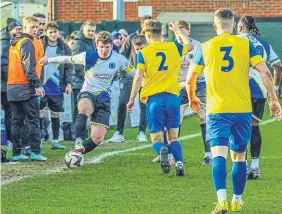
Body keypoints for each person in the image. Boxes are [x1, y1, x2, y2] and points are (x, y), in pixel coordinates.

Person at [186, 8, 281, 213]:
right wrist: (273, 100)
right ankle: (237, 200)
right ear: (233, 23)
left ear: (215, 25)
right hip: (242, 109)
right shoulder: (245, 44)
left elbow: (190, 78)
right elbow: (265, 71)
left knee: (218, 155)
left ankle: (221, 200)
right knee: (239, 156)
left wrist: (193, 97)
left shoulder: (205, 46)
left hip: (217, 109)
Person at [40, 31, 136, 158]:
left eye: (107, 47)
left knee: (97, 138)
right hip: (88, 92)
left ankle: (77, 154)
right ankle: (78, 141)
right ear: (97, 45)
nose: (104, 50)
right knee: (84, 108)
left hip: (104, 98)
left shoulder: (119, 59)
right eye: (101, 47)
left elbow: (135, 74)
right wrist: (49, 60)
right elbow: (68, 59)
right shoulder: (88, 56)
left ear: (112, 46)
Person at [127, 19, 193, 176]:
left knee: (157, 138)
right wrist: (177, 30)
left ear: (147, 36)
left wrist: (131, 100)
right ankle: (178, 163)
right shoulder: (173, 47)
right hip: (172, 98)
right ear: (161, 33)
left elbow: (138, 78)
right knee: (173, 136)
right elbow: (190, 45)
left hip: (154, 100)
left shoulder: (144, 53)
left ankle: (162, 150)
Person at [152, 20, 212, 165]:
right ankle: (169, 154)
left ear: (188, 32)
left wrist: (182, 80)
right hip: (178, 87)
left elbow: (196, 70)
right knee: (175, 120)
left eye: (183, 31)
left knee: (203, 117)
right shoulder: (170, 47)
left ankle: (208, 154)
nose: (180, 34)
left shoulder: (197, 46)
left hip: (198, 85)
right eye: (178, 31)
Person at [237, 15, 282, 180]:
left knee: (238, 127)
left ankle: (243, 165)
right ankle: (255, 167)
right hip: (259, 89)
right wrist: (274, 90)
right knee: (254, 127)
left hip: (239, 88)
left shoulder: (235, 41)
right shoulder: (263, 44)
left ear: (240, 27)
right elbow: (277, 66)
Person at [7, 16, 46, 161]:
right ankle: (35, 151)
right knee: (33, 120)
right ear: (24, 28)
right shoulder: (27, 42)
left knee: (17, 121)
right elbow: (28, 67)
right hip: (25, 86)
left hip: (12, 86)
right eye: (32, 27)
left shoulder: (14, 42)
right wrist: (37, 85)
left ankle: (16, 153)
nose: (35, 30)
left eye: (37, 27)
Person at [109, 34, 148, 143]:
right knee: (122, 103)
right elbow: (122, 54)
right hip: (129, 76)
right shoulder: (132, 38)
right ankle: (119, 132)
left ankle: (142, 132)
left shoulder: (149, 39)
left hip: (145, 76)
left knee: (143, 104)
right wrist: (123, 71)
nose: (139, 51)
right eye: (137, 49)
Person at [40, 21, 72, 149]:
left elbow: (69, 66)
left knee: (56, 113)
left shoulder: (64, 47)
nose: (53, 34)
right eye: (51, 32)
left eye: (55, 32)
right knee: (39, 113)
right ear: (46, 33)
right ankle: (40, 140)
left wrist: (68, 83)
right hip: (42, 85)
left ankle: (55, 140)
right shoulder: (40, 45)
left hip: (57, 85)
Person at [1, 18, 22, 162]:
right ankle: (6, 146)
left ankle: (7, 146)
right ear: (10, 30)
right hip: (5, 86)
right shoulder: (4, 43)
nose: (19, 31)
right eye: (17, 29)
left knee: (9, 116)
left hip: (7, 85)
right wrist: (11, 79)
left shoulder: (10, 41)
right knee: (8, 116)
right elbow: (3, 64)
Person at [72, 20, 96, 122]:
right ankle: (76, 133)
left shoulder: (91, 42)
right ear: (83, 30)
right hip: (80, 81)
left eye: (93, 31)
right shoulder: (79, 43)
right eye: (89, 30)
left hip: (90, 80)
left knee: (88, 107)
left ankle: (83, 132)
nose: (91, 33)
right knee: (79, 108)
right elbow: (77, 64)